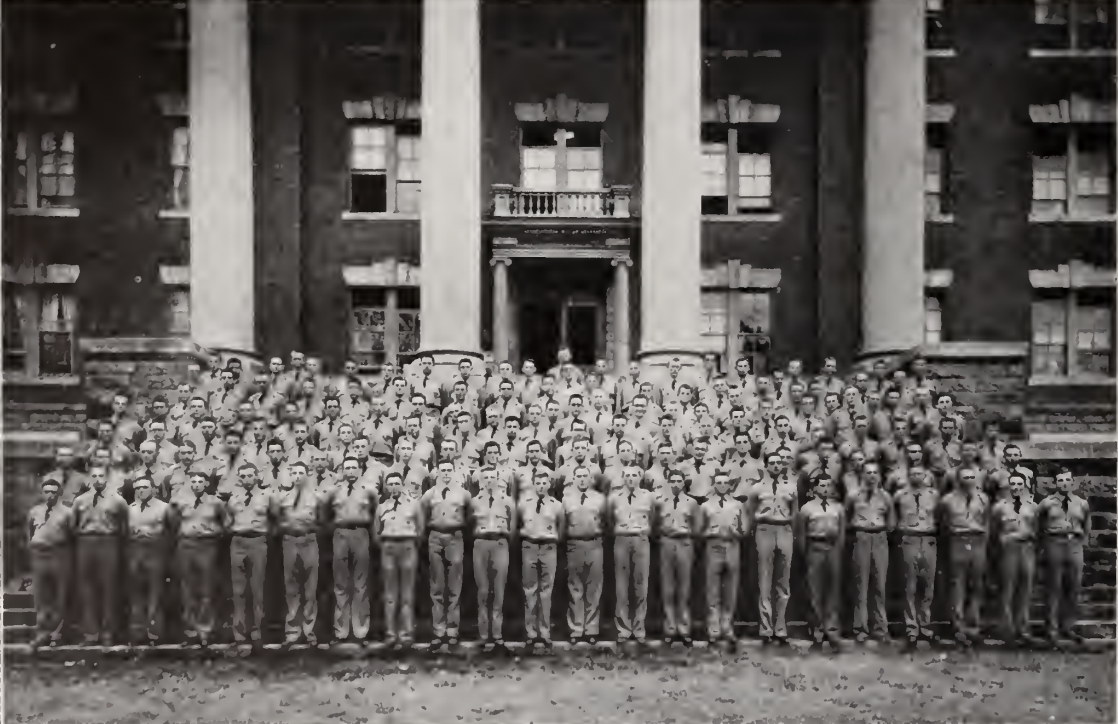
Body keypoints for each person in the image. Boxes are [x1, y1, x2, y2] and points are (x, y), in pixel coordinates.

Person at [72, 464, 128, 646]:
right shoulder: (80, 501)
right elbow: (73, 526)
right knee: (87, 589)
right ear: (89, 479)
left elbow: (124, 527)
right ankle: (90, 633)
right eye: (94, 476)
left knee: (109, 588)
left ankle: (108, 633)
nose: (97, 480)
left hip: (109, 542)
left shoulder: (118, 501)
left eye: (101, 476)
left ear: (107, 478)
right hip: (85, 543)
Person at [324, 457, 377, 644]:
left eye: (354, 467)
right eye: (347, 467)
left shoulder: (369, 490)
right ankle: (341, 632)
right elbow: (325, 514)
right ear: (342, 470)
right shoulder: (334, 491)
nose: (351, 471)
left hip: (361, 534)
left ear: (359, 470)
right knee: (341, 584)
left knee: (361, 584)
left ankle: (361, 632)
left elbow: (375, 514)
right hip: (340, 534)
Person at [747, 451, 798, 644]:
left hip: (784, 529)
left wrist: (789, 530)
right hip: (764, 529)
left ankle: (781, 628)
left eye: (779, 463)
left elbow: (795, 512)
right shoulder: (757, 488)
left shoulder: (791, 487)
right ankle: (766, 629)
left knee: (783, 582)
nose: (776, 466)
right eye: (773, 463)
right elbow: (750, 512)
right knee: (765, 580)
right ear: (766, 465)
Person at [421, 460, 472, 646]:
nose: (446, 473)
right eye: (442, 470)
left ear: (454, 471)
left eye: (449, 470)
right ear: (437, 472)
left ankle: (452, 630)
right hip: (435, 536)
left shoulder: (463, 494)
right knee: (437, 585)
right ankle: (438, 630)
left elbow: (470, 516)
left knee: (454, 585)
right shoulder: (429, 494)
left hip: (455, 537)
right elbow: (422, 516)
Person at [1037, 467, 1090, 646]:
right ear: (1055, 483)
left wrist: (1081, 543)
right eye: (1060, 480)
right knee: (1053, 588)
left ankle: (1067, 627)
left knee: (1073, 588)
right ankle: (1051, 630)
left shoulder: (1082, 503)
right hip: (1054, 543)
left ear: (1072, 482)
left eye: (1067, 480)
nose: (1064, 483)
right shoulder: (1046, 503)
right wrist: (1044, 547)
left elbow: (1086, 525)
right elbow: (1039, 527)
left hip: (1074, 545)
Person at [173, 470, 225, 647]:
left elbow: (225, 522)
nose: (196, 485)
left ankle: (206, 630)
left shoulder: (215, 502)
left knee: (207, 588)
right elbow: (173, 522)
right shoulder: (181, 501)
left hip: (207, 545)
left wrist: (211, 531)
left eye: (200, 482)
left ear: (206, 484)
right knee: (187, 588)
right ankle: (190, 630)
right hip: (186, 544)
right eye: (193, 482)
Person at [226, 463, 276, 646]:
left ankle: (257, 632)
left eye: (250, 475)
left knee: (258, 588)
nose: (247, 479)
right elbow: (227, 520)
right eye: (243, 476)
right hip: (238, 541)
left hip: (258, 541)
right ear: (239, 479)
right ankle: (239, 633)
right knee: (238, 590)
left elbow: (275, 518)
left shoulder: (267, 496)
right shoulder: (233, 497)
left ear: (257, 477)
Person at [939, 466, 990, 646]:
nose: (968, 480)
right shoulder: (947, 500)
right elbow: (943, 526)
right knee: (957, 586)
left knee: (976, 586)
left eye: (971, 477)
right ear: (958, 480)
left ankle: (973, 626)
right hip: (957, 541)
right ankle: (958, 627)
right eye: (964, 477)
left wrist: (984, 544)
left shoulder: (983, 498)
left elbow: (987, 523)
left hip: (978, 541)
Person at [275, 460, 321, 646]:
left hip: (309, 540)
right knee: (291, 588)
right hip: (290, 541)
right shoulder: (282, 497)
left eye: (301, 473)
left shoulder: (316, 497)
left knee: (310, 587)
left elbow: (323, 519)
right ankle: (292, 632)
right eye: (294, 473)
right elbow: (276, 519)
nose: (297, 476)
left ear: (307, 475)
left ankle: (310, 631)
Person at [847, 460, 894, 643]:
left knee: (880, 585)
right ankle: (860, 628)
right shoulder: (853, 496)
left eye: (875, 473)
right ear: (862, 475)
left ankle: (880, 628)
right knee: (860, 585)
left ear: (880, 476)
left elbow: (891, 523)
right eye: (868, 472)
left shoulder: (886, 497)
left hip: (880, 538)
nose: (872, 476)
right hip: (861, 537)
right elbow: (847, 518)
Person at [376, 471, 424, 647]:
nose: (394, 487)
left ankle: (406, 634)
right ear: (386, 487)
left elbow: (420, 528)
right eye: (390, 484)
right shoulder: (382, 506)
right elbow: (376, 530)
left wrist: (411, 542)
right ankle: (390, 633)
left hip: (408, 545)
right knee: (390, 593)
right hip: (388, 546)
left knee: (407, 593)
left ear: (402, 485)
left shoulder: (414, 504)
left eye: (397, 483)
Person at [992, 472, 1040, 647]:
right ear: (1008, 486)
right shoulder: (999, 507)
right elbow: (994, 532)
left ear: (1025, 485)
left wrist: (1026, 537)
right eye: (1013, 484)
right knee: (1007, 590)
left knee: (1025, 590)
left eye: (1020, 483)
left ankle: (1023, 629)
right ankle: (1007, 631)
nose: (1016, 487)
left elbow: (1038, 530)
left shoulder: (1033, 507)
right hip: (1008, 550)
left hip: (1027, 549)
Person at [893, 465, 940, 644]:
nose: (916, 476)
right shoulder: (899, 495)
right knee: (909, 586)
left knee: (928, 586)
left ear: (925, 476)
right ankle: (911, 628)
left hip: (928, 539)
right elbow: (893, 518)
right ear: (908, 476)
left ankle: (925, 626)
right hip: (908, 538)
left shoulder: (934, 495)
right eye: (913, 474)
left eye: (920, 473)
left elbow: (940, 517)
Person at [700, 470, 748, 643]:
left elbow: (745, 529)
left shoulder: (737, 505)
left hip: (732, 545)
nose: (721, 486)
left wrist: (738, 531)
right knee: (712, 588)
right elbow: (698, 529)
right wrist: (709, 532)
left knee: (730, 588)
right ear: (714, 485)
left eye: (725, 483)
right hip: (713, 545)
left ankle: (727, 626)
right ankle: (713, 627)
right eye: (718, 483)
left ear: (729, 486)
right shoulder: (706, 505)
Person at [125, 476, 174, 646]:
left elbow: (172, 531)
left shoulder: (164, 507)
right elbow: (124, 531)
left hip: (156, 552)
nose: (141, 491)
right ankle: (137, 634)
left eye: (145, 487)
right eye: (138, 488)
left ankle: (155, 634)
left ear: (153, 489)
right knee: (136, 596)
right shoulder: (129, 508)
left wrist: (153, 533)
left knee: (156, 595)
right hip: (135, 552)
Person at [609, 465, 655, 644]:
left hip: (640, 539)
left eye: (634, 475)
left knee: (640, 585)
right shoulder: (614, 497)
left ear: (640, 477)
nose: (630, 479)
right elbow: (608, 519)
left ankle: (639, 627)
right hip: (621, 539)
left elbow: (654, 518)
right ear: (622, 477)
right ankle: (623, 629)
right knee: (621, 585)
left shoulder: (648, 497)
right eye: (627, 475)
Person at [519, 469, 564, 648]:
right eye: (538, 482)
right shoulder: (523, 503)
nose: (541, 486)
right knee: (530, 590)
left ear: (549, 485)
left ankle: (544, 632)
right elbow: (517, 524)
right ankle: (530, 632)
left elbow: (561, 526)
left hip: (548, 546)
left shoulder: (556, 505)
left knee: (546, 590)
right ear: (533, 484)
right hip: (529, 546)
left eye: (544, 483)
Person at [27, 478, 75, 648]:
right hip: (39, 554)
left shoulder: (67, 512)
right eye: (47, 491)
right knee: (41, 596)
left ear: (59, 493)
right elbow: (30, 532)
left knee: (61, 594)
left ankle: (58, 633)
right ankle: (42, 632)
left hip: (59, 552)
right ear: (42, 493)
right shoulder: (35, 511)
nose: (50, 494)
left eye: (54, 491)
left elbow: (72, 535)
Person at [470, 467, 515, 646]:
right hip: (480, 543)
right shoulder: (474, 501)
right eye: (486, 478)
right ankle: (483, 634)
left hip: (499, 543)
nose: (489, 480)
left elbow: (513, 525)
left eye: (492, 477)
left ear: (497, 479)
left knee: (498, 590)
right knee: (482, 590)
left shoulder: (507, 501)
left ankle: (496, 634)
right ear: (481, 480)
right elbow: (468, 523)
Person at [655, 469, 700, 644]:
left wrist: (688, 537)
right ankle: (670, 628)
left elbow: (697, 526)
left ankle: (684, 628)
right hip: (666, 542)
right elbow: (654, 522)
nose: (675, 484)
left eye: (678, 481)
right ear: (668, 482)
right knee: (668, 588)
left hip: (684, 542)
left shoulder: (692, 503)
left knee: (684, 587)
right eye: (672, 481)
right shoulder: (661, 501)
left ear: (683, 483)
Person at [563, 465, 607, 644]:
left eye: (585, 476)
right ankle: (576, 628)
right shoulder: (566, 499)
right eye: (578, 476)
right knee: (575, 587)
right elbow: (562, 524)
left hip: (594, 543)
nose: (582, 479)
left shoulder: (600, 499)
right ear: (574, 479)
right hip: (574, 544)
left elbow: (607, 521)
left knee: (593, 588)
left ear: (591, 479)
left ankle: (591, 629)